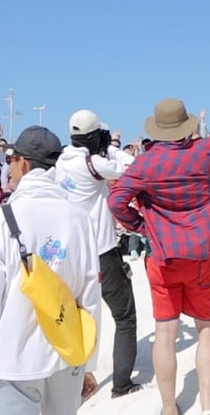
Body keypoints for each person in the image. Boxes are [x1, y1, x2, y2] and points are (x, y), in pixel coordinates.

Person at [0, 126, 102, 414]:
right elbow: (91, 297)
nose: (8, 168)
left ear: (22, 162)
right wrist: (89, 361)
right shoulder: (80, 218)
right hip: (67, 353)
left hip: (16, 359)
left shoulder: (1, 221)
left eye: (10, 160)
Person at [108, 99, 210, 415]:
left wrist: (141, 226)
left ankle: (169, 408)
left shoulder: (145, 163)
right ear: (186, 125)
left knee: (165, 333)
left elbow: (116, 202)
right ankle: (208, 403)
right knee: (207, 327)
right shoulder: (206, 151)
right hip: (200, 253)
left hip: (162, 255)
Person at [55, 109, 142, 399]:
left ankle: (75, 379)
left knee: (75, 317)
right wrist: (112, 148)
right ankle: (121, 384)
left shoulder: (61, 161)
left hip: (69, 253)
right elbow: (131, 167)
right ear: (94, 137)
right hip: (101, 251)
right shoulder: (92, 162)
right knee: (124, 316)